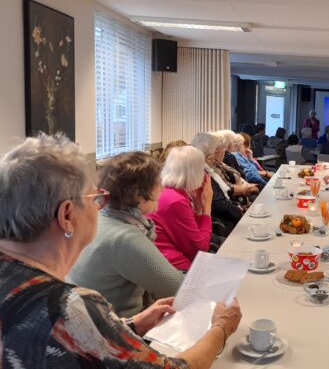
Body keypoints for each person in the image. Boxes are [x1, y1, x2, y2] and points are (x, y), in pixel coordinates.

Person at [0, 134, 242, 368]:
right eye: (96, 199)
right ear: (67, 215)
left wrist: (130, 325)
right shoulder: (71, 306)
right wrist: (220, 328)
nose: (99, 209)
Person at [68, 152, 183, 317]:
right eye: (158, 183)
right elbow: (178, 289)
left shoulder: (99, 217)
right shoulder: (124, 238)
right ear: (138, 194)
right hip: (118, 331)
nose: (163, 188)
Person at [148, 146, 213, 272]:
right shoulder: (175, 201)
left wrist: (198, 204)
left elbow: (195, 237)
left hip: (170, 263)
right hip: (178, 270)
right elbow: (200, 250)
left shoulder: (168, 191)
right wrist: (207, 207)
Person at [192, 132, 245, 234]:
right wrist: (239, 212)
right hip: (221, 224)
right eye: (214, 151)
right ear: (209, 156)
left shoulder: (206, 170)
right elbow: (219, 203)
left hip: (223, 218)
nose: (215, 155)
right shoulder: (203, 173)